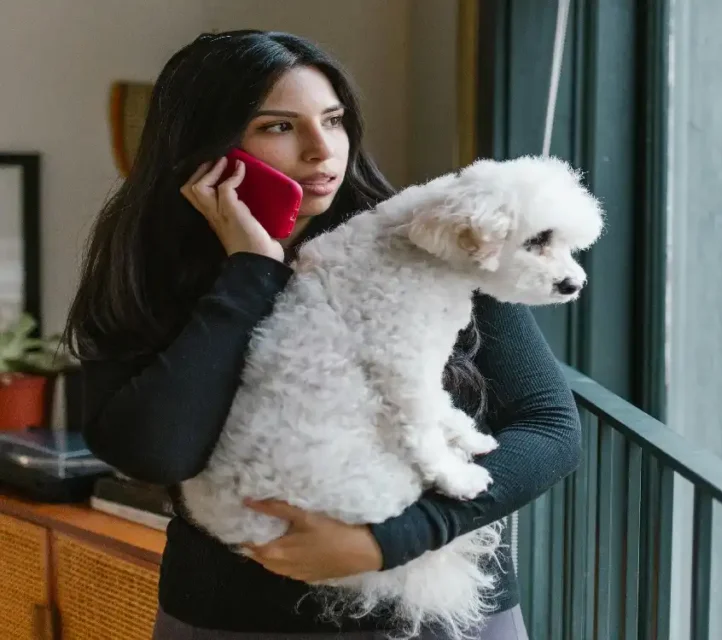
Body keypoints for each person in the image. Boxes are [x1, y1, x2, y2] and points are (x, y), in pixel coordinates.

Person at [64, 30, 582, 640]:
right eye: (278, 127)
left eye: (333, 120)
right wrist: (250, 273)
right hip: (233, 618)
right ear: (207, 144)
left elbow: (550, 427)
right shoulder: (145, 272)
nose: (321, 150)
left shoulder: (428, 239)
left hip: (441, 615)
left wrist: (390, 540)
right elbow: (155, 452)